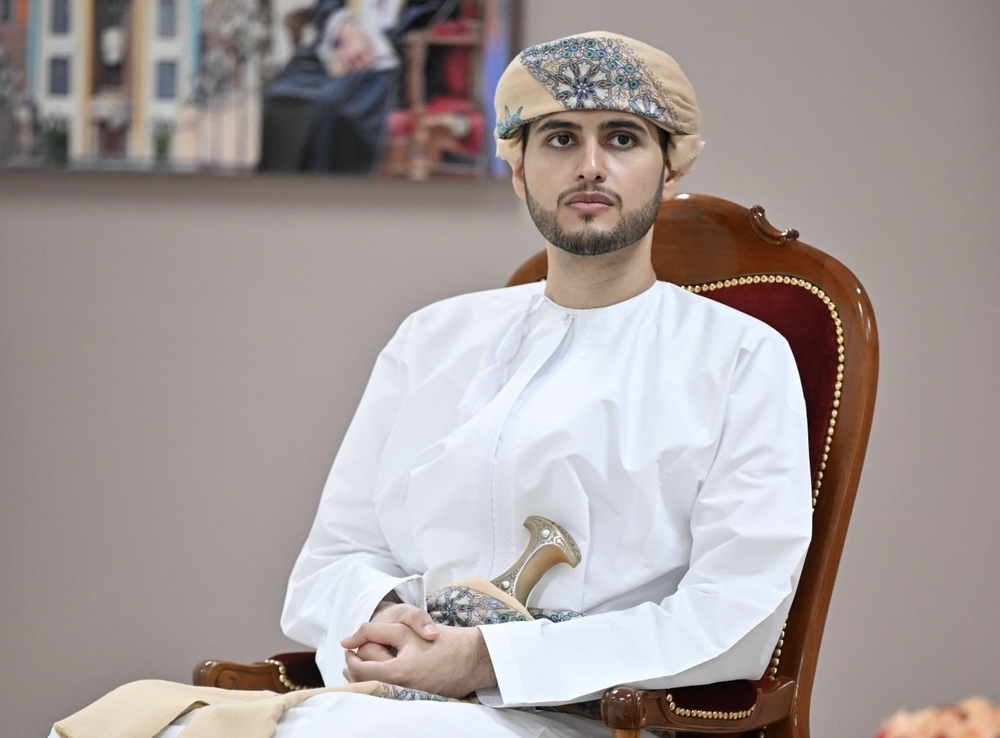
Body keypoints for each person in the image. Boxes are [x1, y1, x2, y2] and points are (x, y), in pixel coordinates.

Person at [50, 30, 813, 738]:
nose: (590, 165)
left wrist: (487, 661)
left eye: (622, 138)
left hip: (592, 718)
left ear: (670, 167)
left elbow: (734, 616)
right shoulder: (434, 338)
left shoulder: (741, 358)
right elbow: (334, 558)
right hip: (396, 700)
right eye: (559, 138)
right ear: (517, 169)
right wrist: (386, 619)